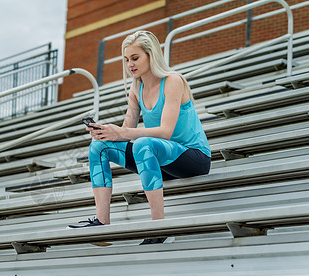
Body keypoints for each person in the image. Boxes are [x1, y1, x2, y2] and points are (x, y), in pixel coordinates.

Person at [69, 31, 211, 245]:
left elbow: (165, 132)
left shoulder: (173, 81)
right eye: (126, 60)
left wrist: (122, 132)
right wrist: (105, 132)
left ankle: (158, 227)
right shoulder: (137, 88)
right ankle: (102, 222)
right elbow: (127, 130)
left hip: (193, 158)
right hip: (161, 161)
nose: (130, 64)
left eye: (135, 58)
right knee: (98, 148)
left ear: (151, 55)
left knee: (143, 144)